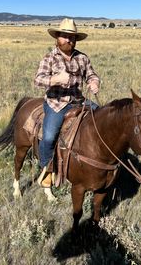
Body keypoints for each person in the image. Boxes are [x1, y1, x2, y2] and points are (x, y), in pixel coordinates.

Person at [34, 18, 101, 188]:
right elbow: (38, 80)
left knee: (100, 117)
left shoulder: (82, 58)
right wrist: (55, 79)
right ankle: (47, 170)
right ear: (57, 37)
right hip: (57, 103)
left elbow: (91, 74)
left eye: (72, 37)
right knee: (49, 137)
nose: (68, 40)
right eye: (64, 36)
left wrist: (94, 82)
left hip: (78, 101)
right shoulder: (49, 57)